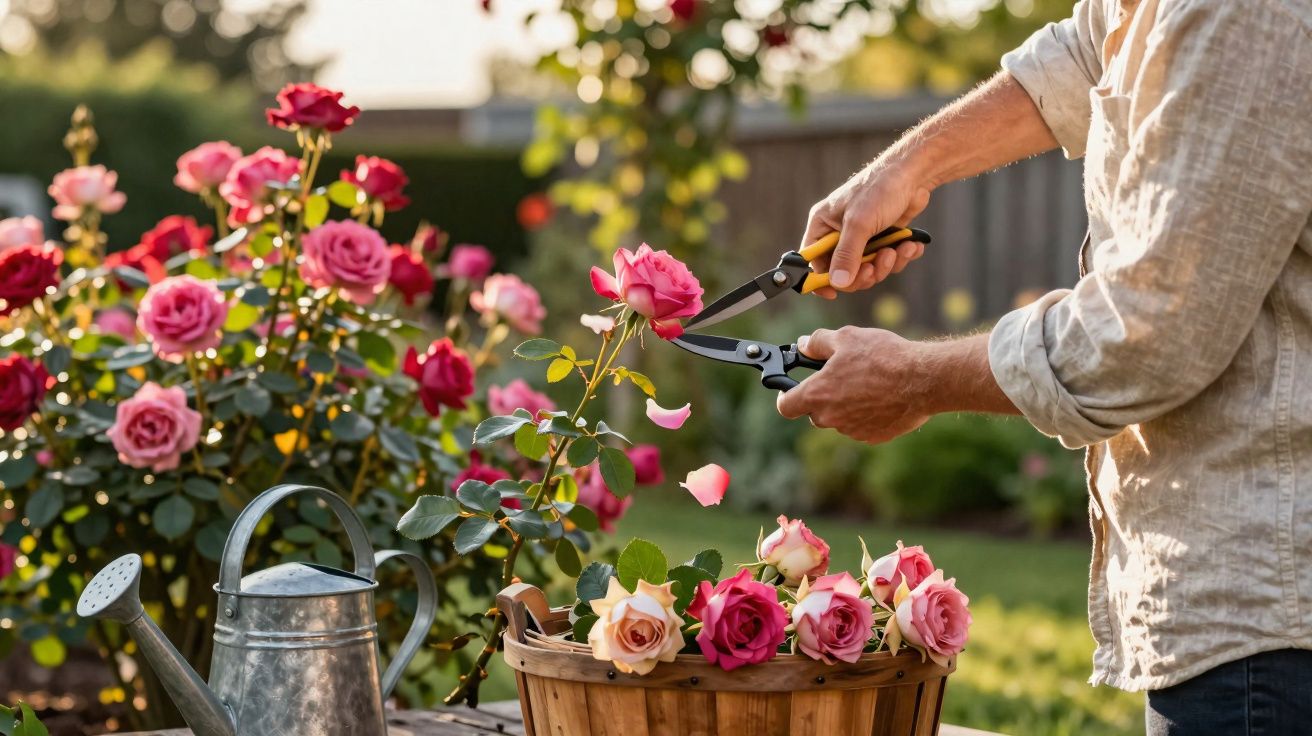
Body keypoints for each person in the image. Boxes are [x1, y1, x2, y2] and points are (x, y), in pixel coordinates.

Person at [776, 1, 1312, 733]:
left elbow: (1146, 334)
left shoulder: (1243, 15)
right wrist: (905, 167)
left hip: (1274, 621)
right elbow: (1090, 50)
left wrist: (913, 380)